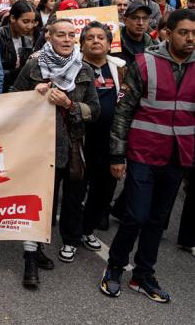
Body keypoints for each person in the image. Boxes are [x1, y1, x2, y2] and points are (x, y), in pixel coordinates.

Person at [100, 9, 195, 303]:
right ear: (168, 33)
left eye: (194, 33)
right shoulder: (145, 63)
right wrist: (117, 155)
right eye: (184, 32)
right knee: (136, 216)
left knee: (158, 221)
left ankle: (143, 274)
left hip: (179, 157)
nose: (190, 38)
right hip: (143, 152)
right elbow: (124, 111)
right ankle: (114, 267)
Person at [11, 18, 99, 289]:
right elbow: (13, 97)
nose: (66, 39)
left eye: (71, 35)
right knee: (37, 203)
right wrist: (33, 95)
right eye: (60, 34)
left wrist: (70, 104)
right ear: (48, 37)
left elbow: (94, 111)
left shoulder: (83, 69)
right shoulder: (34, 65)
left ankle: (46, 245)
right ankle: (31, 258)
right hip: (38, 146)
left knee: (67, 200)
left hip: (69, 148)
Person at [79, 22, 125, 249]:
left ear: (109, 44)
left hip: (110, 144)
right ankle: (70, 236)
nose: (96, 41)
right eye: (90, 38)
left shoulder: (121, 69)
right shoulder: (72, 68)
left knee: (103, 193)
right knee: (74, 191)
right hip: (80, 142)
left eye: (101, 38)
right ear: (82, 44)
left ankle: (86, 230)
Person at [0, 1, 37, 93]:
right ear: (12, 18)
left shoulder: (27, 40)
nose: (30, 26)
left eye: (32, 22)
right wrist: (16, 73)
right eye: (25, 22)